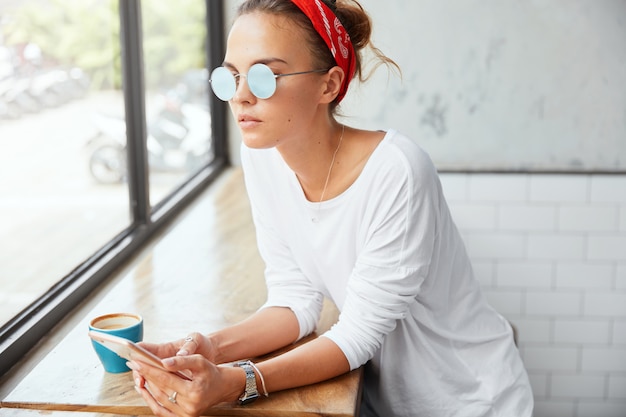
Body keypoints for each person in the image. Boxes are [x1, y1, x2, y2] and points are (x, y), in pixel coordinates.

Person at [128, 0, 535, 416]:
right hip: (384, 401)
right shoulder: (263, 155)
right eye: (230, 76)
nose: (242, 96)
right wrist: (207, 348)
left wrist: (236, 383)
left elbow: (357, 335)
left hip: (468, 400)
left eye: (265, 76)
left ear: (329, 84)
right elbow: (295, 299)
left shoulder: (398, 171)